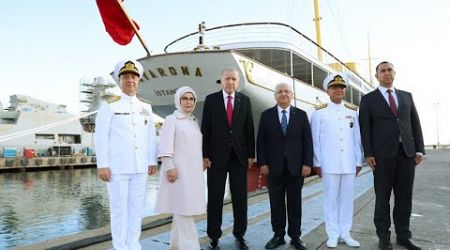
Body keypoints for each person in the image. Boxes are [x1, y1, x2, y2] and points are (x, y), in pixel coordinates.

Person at [359, 61, 425, 250]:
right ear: (377, 75)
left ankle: (403, 236)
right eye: (382, 71)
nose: (386, 73)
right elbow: (365, 129)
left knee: (404, 198)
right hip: (382, 157)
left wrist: (419, 149)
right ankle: (384, 237)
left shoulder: (406, 96)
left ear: (394, 73)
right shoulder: (368, 99)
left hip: (406, 155)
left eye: (389, 70)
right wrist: (368, 153)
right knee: (382, 198)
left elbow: (415, 124)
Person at [94, 59, 158, 250]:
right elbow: (100, 137)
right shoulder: (110, 105)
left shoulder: (146, 107)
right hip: (117, 167)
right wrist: (102, 165)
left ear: (139, 81)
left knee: (136, 209)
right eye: (126, 77)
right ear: (119, 81)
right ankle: (120, 247)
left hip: (140, 167)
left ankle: (134, 245)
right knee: (119, 210)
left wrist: (152, 160)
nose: (130, 80)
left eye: (133, 77)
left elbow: (150, 137)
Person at [201, 68, 255, 250]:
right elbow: (206, 129)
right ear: (221, 81)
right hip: (216, 158)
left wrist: (250, 155)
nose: (230, 82)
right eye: (227, 79)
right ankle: (214, 236)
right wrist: (205, 155)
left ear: (237, 81)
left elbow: (249, 129)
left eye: (233, 79)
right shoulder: (211, 100)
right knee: (215, 198)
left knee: (240, 198)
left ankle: (239, 234)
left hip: (239, 158)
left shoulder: (245, 100)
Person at [256, 83, 313, 250]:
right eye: (280, 92)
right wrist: (263, 163)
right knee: (276, 203)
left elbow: (307, 142)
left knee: (295, 203)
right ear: (275, 96)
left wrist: (307, 163)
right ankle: (278, 235)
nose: (283, 94)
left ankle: (295, 236)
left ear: (291, 95)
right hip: (273, 167)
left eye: (286, 91)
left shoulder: (301, 115)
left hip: (296, 167)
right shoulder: (266, 115)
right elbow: (261, 142)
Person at [311, 73, 362, 248]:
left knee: (347, 200)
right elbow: (315, 139)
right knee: (331, 200)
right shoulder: (319, 112)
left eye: (341, 88)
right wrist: (317, 162)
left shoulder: (352, 111)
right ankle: (332, 234)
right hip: (328, 163)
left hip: (348, 163)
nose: (338, 90)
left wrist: (358, 160)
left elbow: (357, 138)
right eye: (334, 88)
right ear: (328, 91)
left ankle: (345, 233)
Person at [154, 86, 206, 250]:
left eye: (191, 99)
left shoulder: (193, 121)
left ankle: (175, 246)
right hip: (178, 172)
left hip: (193, 173)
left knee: (181, 208)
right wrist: (169, 167)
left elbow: (195, 146)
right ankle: (192, 247)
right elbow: (165, 146)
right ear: (178, 100)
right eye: (185, 98)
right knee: (185, 210)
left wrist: (203, 160)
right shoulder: (172, 119)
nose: (189, 102)